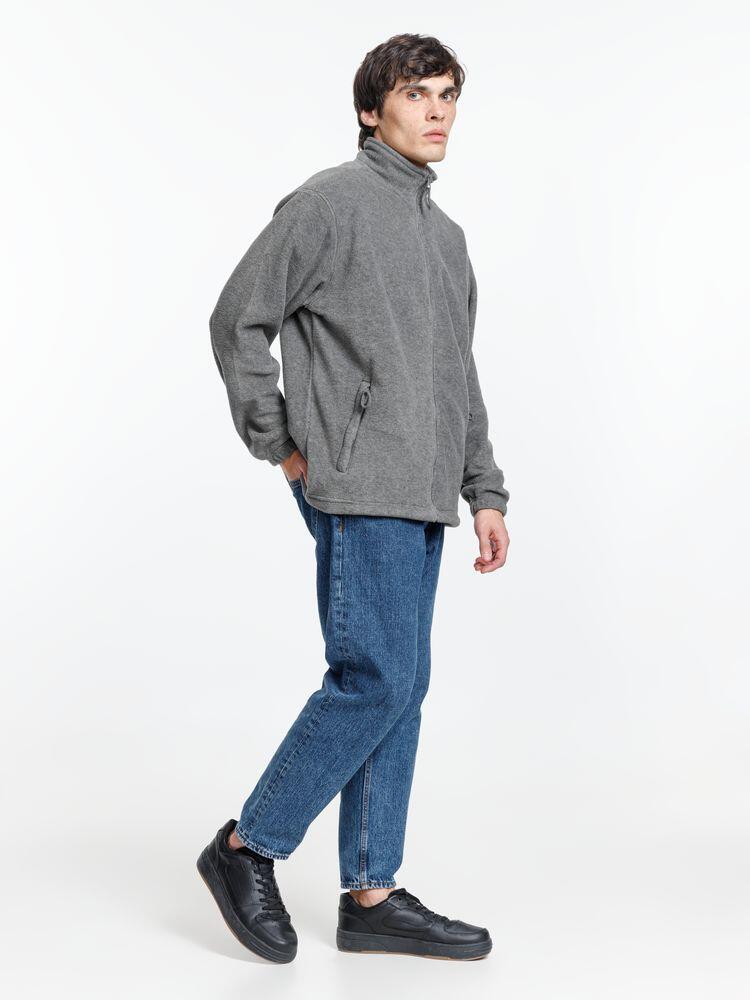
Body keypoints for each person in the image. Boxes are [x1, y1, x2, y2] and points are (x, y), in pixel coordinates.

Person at [198, 32, 510, 964]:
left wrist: (483, 487)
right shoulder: (328, 204)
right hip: (357, 478)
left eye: (448, 95)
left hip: (425, 490)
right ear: (372, 110)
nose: (438, 111)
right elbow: (237, 318)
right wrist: (282, 444)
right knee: (375, 678)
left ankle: (371, 890)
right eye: (417, 94)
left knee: (400, 687)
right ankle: (247, 846)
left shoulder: (447, 239)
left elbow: (458, 375)